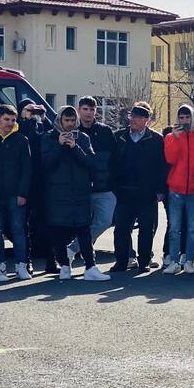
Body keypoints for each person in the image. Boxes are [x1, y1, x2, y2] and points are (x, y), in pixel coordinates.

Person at [40, 106, 110, 281]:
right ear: (60, 121)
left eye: (72, 121)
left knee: (84, 229)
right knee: (58, 230)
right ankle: (64, 265)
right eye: (66, 121)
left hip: (80, 192)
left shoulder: (83, 138)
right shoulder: (49, 138)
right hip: (57, 193)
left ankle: (90, 267)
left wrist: (75, 147)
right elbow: (46, 165)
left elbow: (92, 164)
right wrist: (58, 145)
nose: (70, 125)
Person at [110, 102, 167, 273]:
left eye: (137, 117)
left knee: (146, 229)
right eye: (131, 116)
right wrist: (113, 186)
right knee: (121, 229)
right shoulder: (119, 137)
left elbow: (162, 166)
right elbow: (111, 164)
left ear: (146, 120)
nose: (132, 120)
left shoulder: (156, 139)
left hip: (147, 193)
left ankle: (144, 261)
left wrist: (160, 189)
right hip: (123, 191)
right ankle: (121, 261)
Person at [67, 96, 117, 264]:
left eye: (92, 109)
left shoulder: (105, 131)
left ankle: (73, 248)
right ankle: (84, 255)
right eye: (85, 109)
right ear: (79, 109)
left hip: (104, 186)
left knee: (105, 221)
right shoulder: (72, 131)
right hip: (81, 187)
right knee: (81, 223)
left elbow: (114, 159)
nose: (89, 113)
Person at [163, 104, 194, 275]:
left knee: (191, 228)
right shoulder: (170, 137)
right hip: (175, 189)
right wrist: (175, 138)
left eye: (187, 117)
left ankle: (188, 260)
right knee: (174, 228)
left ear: (193, 117)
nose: (184, 121)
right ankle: (173, 261)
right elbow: (170, 159)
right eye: (181, 117)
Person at [0, 104, 32, 281]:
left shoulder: (21, 140)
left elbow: (27, 169)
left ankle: (21, 266)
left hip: (15, 194)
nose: (9, 123)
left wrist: (23, 193)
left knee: (18, 230)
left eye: (13, 120)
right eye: (6, 119)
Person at [18, 101, 53, 273]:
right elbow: (26, 137)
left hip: (43, 181)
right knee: (24, 224)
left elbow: (51, 135)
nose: (33, 113)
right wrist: (25, 119)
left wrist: (44, 118)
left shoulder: (41, 126)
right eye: (29, 110)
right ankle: (27, 260)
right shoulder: (17, 127)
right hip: (25, 183)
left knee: (48, 221)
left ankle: (51, 260)